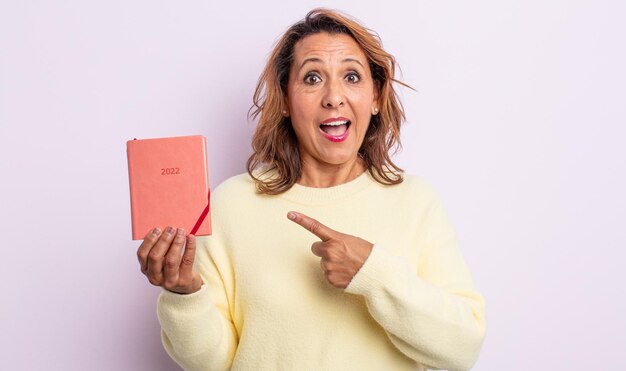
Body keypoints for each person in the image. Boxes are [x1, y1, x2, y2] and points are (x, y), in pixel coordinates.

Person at [137, 8, 486, 371]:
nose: (334, 96)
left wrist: (372, 273)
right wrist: (184, 295)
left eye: (352, 76)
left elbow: (462, 348)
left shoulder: (415, 201)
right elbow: (213, 362)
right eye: (312, 78)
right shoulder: (230, 203)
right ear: (286, 100)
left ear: (376, 97)